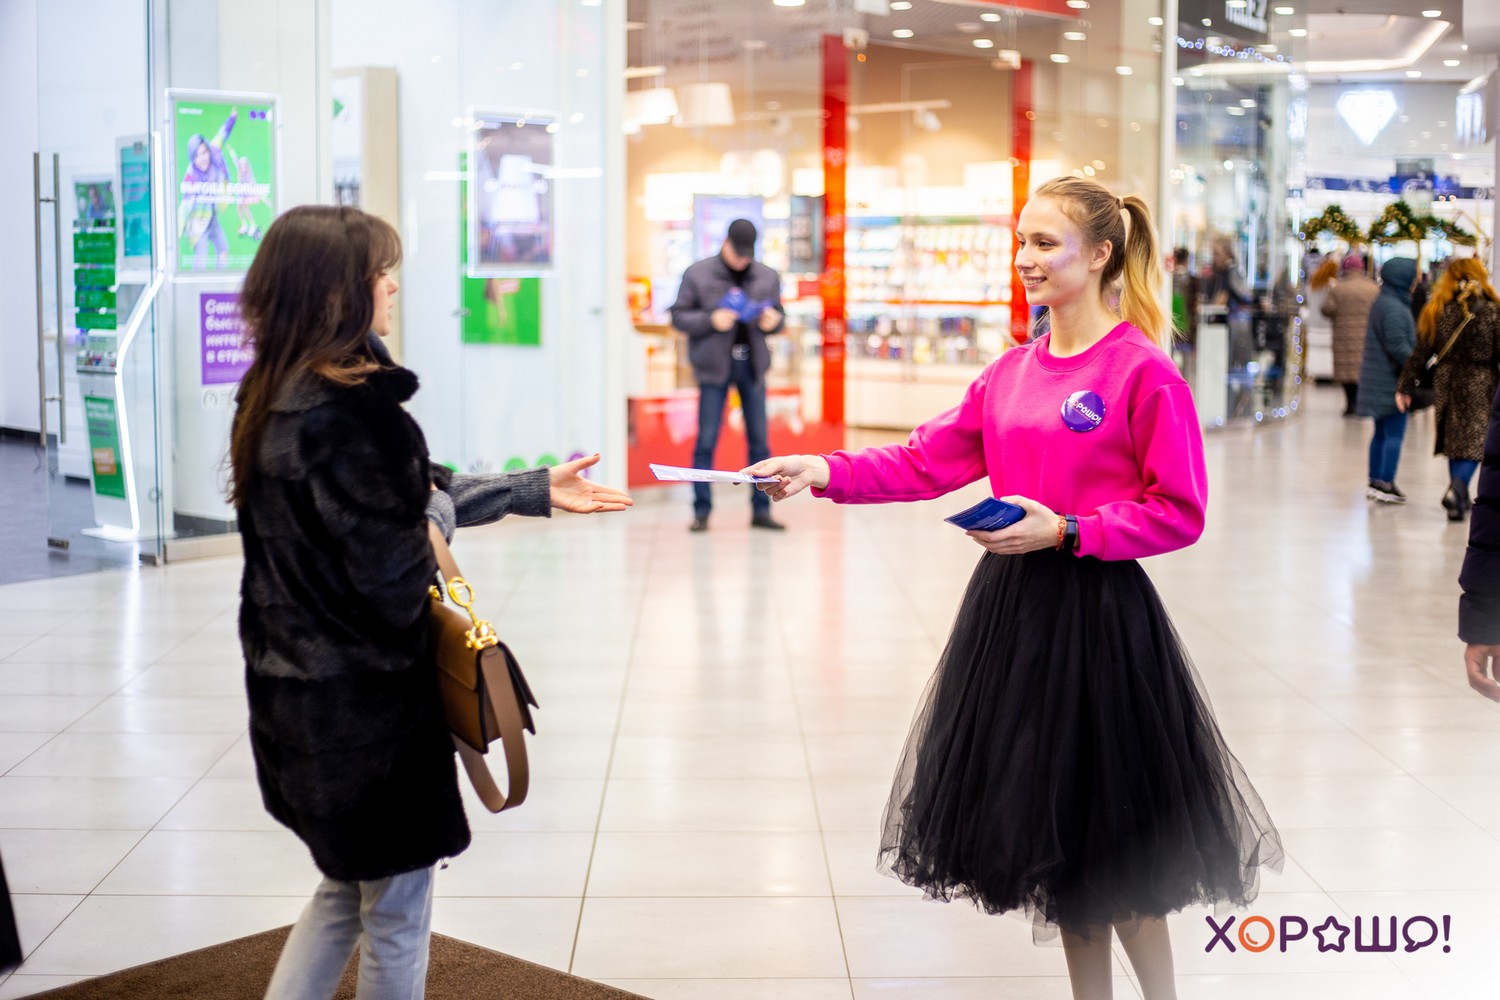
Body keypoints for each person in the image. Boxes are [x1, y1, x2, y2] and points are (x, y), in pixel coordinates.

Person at [745, 177, 1282, 1000]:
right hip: (1014, 623)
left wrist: (1068, 529)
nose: (1025, 258)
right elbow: (924, 462)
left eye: (1044, 243)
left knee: (1119, 851)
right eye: (1021, 240)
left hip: (1101, 626)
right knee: (1057, 848)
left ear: (1100, 255)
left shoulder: (1141, 372)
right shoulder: (1010, 373)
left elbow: (1179, 512)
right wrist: (824, 468)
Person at [228, 205, 631, 1000]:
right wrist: (434, 515)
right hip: (368, 719)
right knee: (397, 914)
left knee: (346, 889)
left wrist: (525, 489)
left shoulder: (273, 394)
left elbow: (408, 492)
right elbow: (399, 565)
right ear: (336, 291)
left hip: (296, 702)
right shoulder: (357, 416)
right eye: (379, 273)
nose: (391, 287)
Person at [669, 218, 787, 532]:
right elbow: (678, 316)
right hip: (713, 367)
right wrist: (711, 320)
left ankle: (762, 510)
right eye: (738, 254)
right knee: (706, 441)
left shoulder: (767, 275)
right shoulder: (697, 273)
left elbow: (779, 316)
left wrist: (773, 321)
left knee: (760, 443)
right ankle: (701, 511)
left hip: (753, 365)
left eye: (747, 255)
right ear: (725, 244)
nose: (742, 261)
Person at [1397, 258, 1500, 520]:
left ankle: (1459, 497)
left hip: (1447, 379)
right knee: (1476, 440)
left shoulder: (1437, 308)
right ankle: (1458, 488)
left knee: (1454, 440)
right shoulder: (1492, 310)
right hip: (1481, 380)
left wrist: (1404, 386)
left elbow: (1420, 353)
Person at [1356, 257, 1420, 504]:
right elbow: (1397, 346)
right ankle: (1385, 482)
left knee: (1381, 431)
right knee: (1394, 432)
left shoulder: (1384, 302)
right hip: (1390, 381)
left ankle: (1376, 480)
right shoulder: (1393, 307)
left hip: (1378, 378)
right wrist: (1416, 366)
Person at [1322, 252, 1380, 416]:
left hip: (1343, 336)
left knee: (1346, 370)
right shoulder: (1372, 288)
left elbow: (1327, 309)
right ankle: (1361, 403)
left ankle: (1350, 404)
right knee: (1361, 369)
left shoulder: (1337, 289)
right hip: (1366, 336)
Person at [1302, 255, 1339, 381]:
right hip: (1328, 325)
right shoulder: (1333, 285)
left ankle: (1312, 372)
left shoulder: (1312, 284)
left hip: (1313, 324)